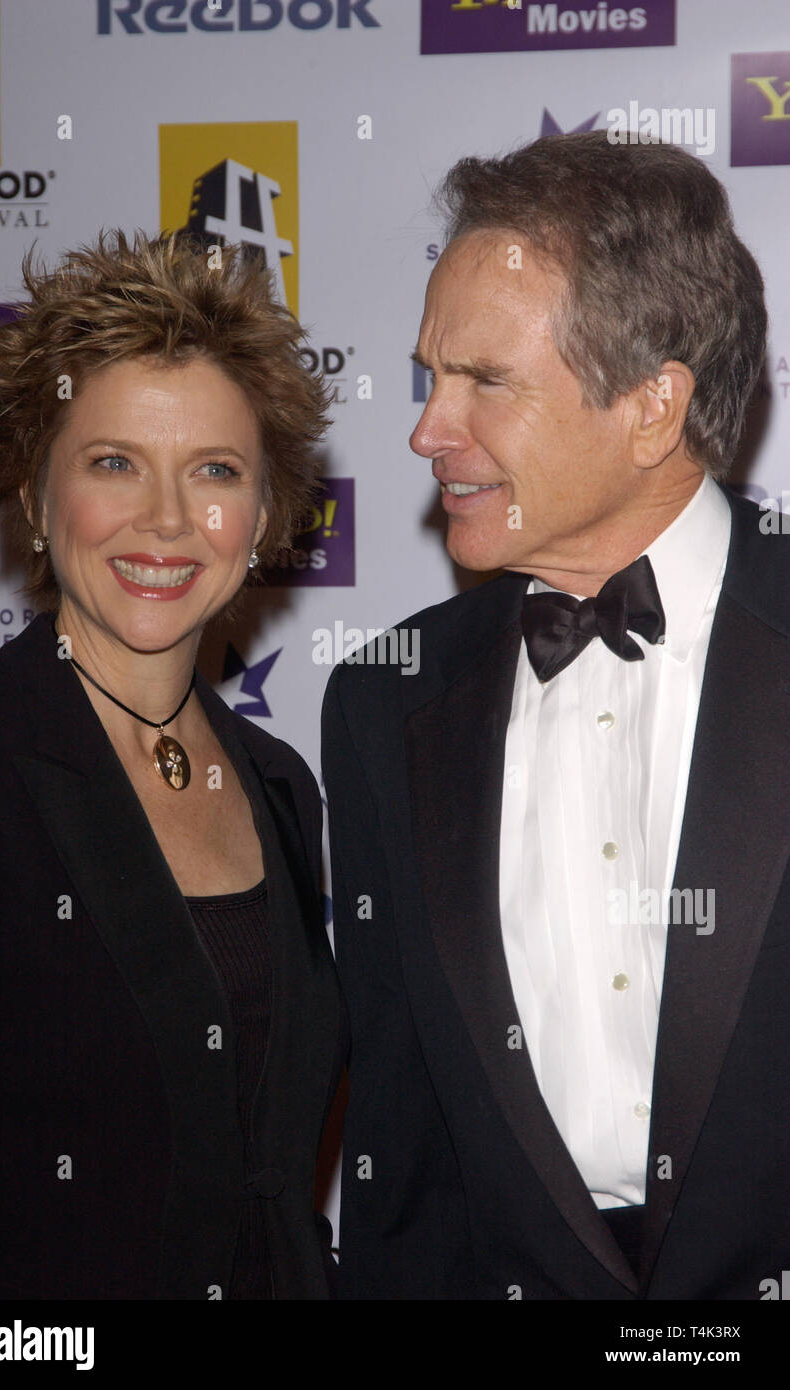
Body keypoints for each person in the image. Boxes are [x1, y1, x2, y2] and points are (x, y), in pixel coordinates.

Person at [321, 130, 784, 1300]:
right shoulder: (383, 699)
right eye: (429, 375)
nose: (427, 428)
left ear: (650, 406)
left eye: (485, 380)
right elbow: (398, 1147)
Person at [0, 229, 345, 1300]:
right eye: (113, 462)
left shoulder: (278, 785)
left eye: (213, 471)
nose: (166, 520)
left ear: (261, 515)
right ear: (32, 493)